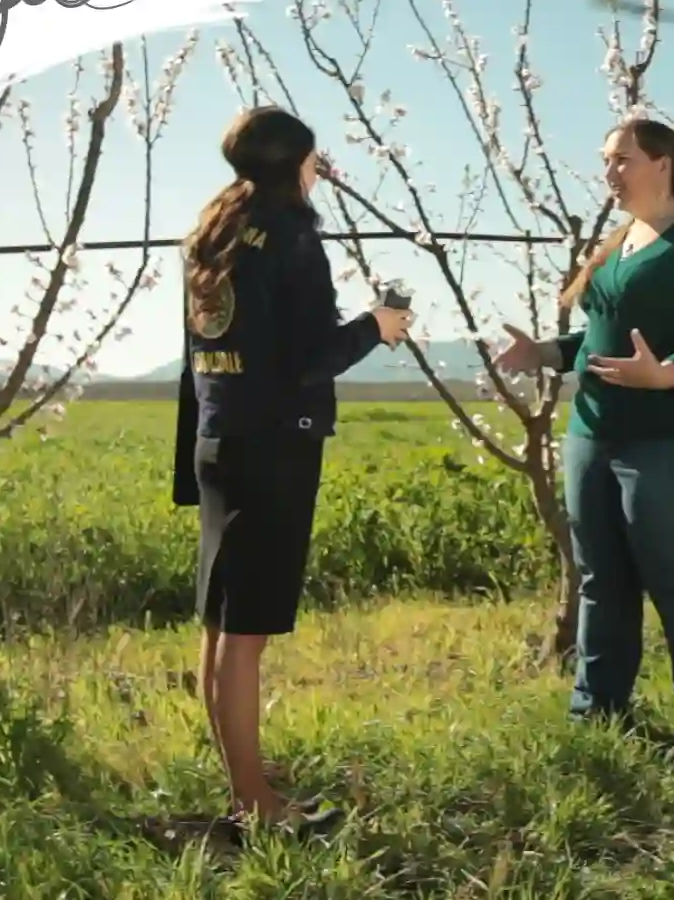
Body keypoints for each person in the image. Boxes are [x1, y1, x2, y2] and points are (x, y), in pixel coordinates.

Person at [170, 105, 412, 834]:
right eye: (314, 158)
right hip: (275, 447)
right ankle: (257, 805)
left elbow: (209, 355)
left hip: (220, 440)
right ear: (297, 163)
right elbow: (309, 357)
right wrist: (379, 325)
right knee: (244, 637)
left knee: (221, 628)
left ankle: (245, 780)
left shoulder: (213, 231)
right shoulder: (293, 234)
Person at [494, 117, 674, 756]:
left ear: (663, 163)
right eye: (606, 160)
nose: (609, 173)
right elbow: (605, 339)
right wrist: (548, 353)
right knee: (600, 578)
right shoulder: (618, 243)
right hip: (595, 433)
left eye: (622, 160)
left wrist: (666, 375)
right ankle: (598, 715)